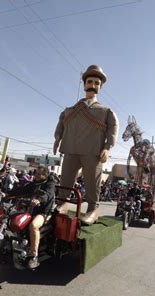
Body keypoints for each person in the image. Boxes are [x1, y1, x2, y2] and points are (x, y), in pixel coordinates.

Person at [53, 65, 119, 225]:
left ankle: (92, 209)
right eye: (90, 81)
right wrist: (57, 138)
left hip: (92, 152)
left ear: (100, 87)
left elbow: (113, 127)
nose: (93, 85)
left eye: (97, 83)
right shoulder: (70, 110)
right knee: (66, 179)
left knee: (92, 181)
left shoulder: (105, 111)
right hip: (70, 149)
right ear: (84, 85)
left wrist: (108, 147)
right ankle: (62, 204)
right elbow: (61, 123)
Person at [8, 166, 55, 269]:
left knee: (33, 226)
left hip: (43, 213)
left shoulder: (50, 185)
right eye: (36, 173)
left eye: (39, 174)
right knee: (11, 218)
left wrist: (39, 199)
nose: (36, 175)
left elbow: (47, 195)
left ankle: (34, 256)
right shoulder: (33, 184)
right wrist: (7, 193)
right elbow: (21, 190)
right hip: (29, 211)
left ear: (45, 175)